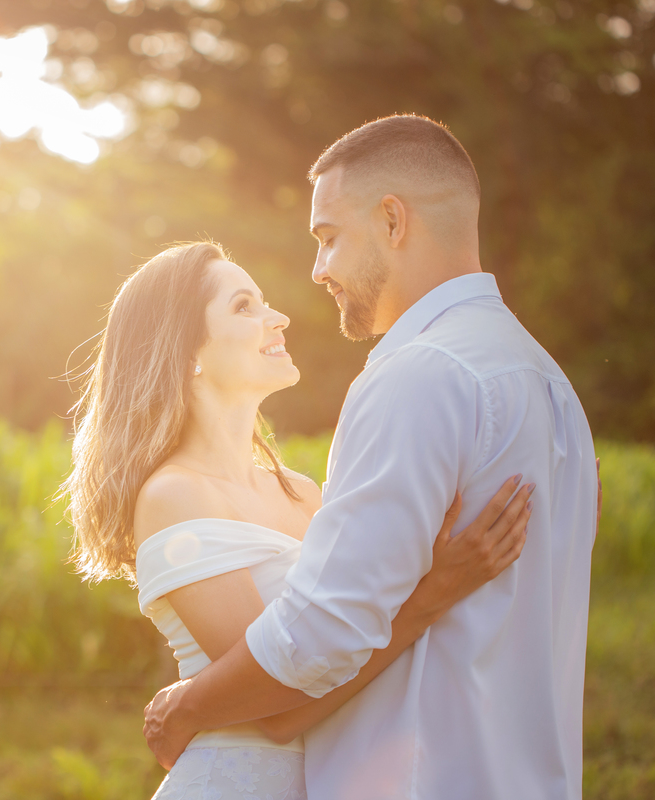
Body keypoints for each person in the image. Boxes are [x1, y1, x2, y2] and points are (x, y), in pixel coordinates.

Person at [142, 115, 598, 800]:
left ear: (392, 221)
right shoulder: (547, 381)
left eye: (328, 238)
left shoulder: (417, 376)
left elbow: (323, 632)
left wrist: (190, 705)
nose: (318, 271)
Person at [61, 236, 533, 799]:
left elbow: (368, 631)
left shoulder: (304, 494)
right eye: (244, 306)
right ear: (186, 350)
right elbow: (280, 705)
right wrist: (435, 592)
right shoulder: (174, 497)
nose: (278, 318)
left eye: (264, 302)